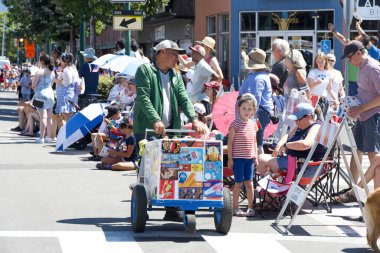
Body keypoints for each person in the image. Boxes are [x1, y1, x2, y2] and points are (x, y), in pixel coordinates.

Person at [134, 39, 205, 221]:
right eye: (174, 54)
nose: (178, 58)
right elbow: (143, 97)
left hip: (171, 130)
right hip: (147, 129)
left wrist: (194, 119)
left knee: (171, 167)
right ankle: (143, 201)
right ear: (162, 52)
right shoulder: (145, 70)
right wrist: (155, 119)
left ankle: (171, 207)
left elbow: (183, 98)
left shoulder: (175, 75)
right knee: (148, 168)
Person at [336, 40, 380, 202]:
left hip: (373, 116)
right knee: (356, 151)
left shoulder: (373, 68)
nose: (348, 61)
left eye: (349, 57)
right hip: (364, 115)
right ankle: (353, 189)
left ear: (359, 53)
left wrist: (360, 108)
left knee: (373, 157)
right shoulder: (362, 67)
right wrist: (353, 103)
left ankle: (368, 194)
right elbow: (365, 92)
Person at [257, 103, 327, 179]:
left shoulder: (316, 127)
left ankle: (270, 187)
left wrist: (286, 146)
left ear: (309, 116)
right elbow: (287, 136)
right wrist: (278, 147)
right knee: (259, 158)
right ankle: (273, 186)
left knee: (261, 161)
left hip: (306, 166)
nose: (296, 122)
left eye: (298, 119)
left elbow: (306, 144)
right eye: (295, 120)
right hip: (295, 162)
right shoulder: (300, 125)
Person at [227, 93, 258, 217]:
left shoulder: (254, 124)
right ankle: (235, 207)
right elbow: (230, 142)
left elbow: (254, 142)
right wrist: (230, 158)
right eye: (244, 108)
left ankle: (250, 207)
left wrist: (255, 157)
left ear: (253, 111)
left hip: (249, 159)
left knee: (249, 183)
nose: (246, 111)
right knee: (238, 183)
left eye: (249, 109)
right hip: (238, 159)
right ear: (238, 109)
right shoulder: (235, 124)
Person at [240, 48, 273, 154]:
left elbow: (254, 99)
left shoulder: (256, 78)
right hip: (262, 112)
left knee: (255, 144)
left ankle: (258, 165)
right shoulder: (262, 76)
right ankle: (258, 165)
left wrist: (249, 116)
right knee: (257, 142)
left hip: (257, 113)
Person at [31, 54, 55, 144]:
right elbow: (52, 83)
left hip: (40, 95)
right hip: (50, 94)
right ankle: (49, 137)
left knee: (42, 117)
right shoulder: (52, 72)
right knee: (49, 117)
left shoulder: (39, 72)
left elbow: (33, 85)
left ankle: (41, 137)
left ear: (42, 61)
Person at [307, 52, 339, 120]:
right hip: (314, 99)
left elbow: (329, 89)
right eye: (318, 62)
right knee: (319, 119)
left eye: (322, 61)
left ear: (325, 61)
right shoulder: (312, 72)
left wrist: (335, 100)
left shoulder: (328, 73)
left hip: (324, 99)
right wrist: (315, 84)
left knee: (323, 120)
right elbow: (308, 88)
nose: (320, 64)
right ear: (316, 62)